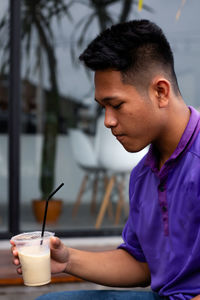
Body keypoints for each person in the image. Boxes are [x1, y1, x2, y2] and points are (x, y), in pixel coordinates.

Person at [11, 19, 200, 299]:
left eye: (117, 105)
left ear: (160, 92)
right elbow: (141, 263)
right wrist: (67, 260)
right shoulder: (144, 175)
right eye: (103, 108)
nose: (108, 121)